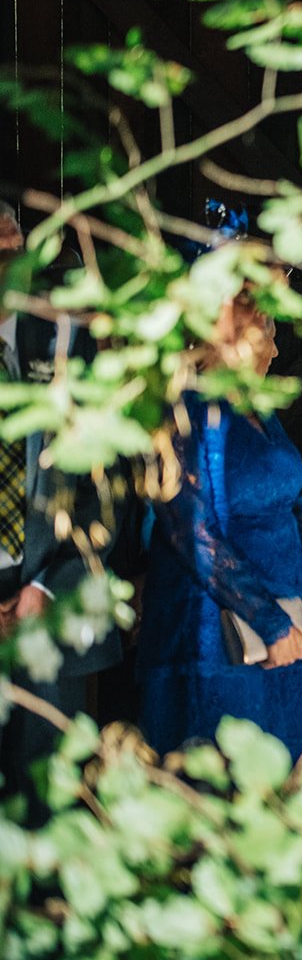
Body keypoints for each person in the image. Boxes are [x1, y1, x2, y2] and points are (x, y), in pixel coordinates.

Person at [138, 251, 302, 761]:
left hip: (289, 635)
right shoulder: (178, 407)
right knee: (222, 795)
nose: (274, 346)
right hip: (215, 641)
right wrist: (268, 622)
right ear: (224, 320)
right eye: (266, 324)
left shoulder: (255, 407)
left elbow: (295, 506)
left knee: (292, 790)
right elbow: (191, 530)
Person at [0, 201, 119, 825]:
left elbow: (107, 489)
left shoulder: (70, 348)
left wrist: (49, 589)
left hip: (48, 595)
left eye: (13, 249)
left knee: (46, 808)